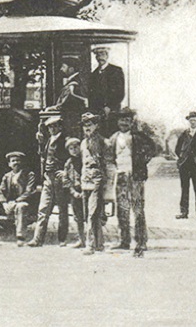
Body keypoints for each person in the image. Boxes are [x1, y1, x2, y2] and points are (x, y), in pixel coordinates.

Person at [107, 109, 154, 257]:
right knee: (122, 209)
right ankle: (124, 241)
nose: (124, 123)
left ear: (131, 122)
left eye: (127, 120)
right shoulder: (114, 138)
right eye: (121, 120)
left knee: (138, 209)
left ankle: (141, 241)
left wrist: (142, 163)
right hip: (121, 176)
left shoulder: (139, 137)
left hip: (135, 177)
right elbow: (109, 156)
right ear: (118, 122)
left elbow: (152, 149)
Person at [29, 115, 69, 247]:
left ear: (60, 127)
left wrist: (65, 172)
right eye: (50, 126)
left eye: (55, 126)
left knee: (62, 211)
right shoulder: (48, 140)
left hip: (58, 179)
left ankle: (62, 239)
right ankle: (37, 239)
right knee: (43, 209)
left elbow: (71, 158)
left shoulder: (65, 140)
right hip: (48, 178)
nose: (52, 128)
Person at [0, 151, 36, 246]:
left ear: (22, 163)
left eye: (18, 160)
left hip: (22, 203)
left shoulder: (29, 175)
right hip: (8, 204)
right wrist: (4, 203)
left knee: (21, 206)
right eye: (13, 161)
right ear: (9, 164)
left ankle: (20, 238)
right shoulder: (6, 176)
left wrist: (16, 201)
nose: (16, 163)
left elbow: (29, 191)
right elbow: (0, 192)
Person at [78, 112, 111, 255]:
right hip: (85, 180)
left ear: (96, 125)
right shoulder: (83, 143)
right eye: (85, 125)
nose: (87, 127)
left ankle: (90, 245)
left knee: (93, 212)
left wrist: (107, 184)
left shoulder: (103, 142)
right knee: (90, 213)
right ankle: (99, 244)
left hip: (97, 179)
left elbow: (108, 163)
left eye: (90, 124)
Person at [175, 111, 196, 219]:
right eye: (191, 120)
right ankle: (184, 212)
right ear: (188, 121)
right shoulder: (183, 134)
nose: (193, 122)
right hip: (185, 166)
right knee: (184, 189)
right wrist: (182, 158)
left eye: (195, 120)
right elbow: (177, 149)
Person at [48, 57, 88, 138]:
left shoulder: (74, 82)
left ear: (71, 69)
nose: (61, 69)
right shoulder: (75, 80)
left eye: (63, 67)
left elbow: (68, 100)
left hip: (72, 118)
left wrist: (54, 108)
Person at [88, 46, 125, 119]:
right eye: (98, 55)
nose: (100, 58)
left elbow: (120, 92)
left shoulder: (116, 71)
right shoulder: (94, 74)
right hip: (98, 111)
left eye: (102, 55)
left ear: (107, 56)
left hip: (112, 110)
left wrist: (109, 106)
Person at [63, 137, 86, 249]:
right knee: (78, 218)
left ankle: (94, 240)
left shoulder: (86, 160)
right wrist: (73, 192)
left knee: (90, 216)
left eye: (76, 147)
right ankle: (81, 240)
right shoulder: (68, 163)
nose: (74, 150)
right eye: (71, 148)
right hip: (75, 193)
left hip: (87, 191)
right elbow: (66, 179)